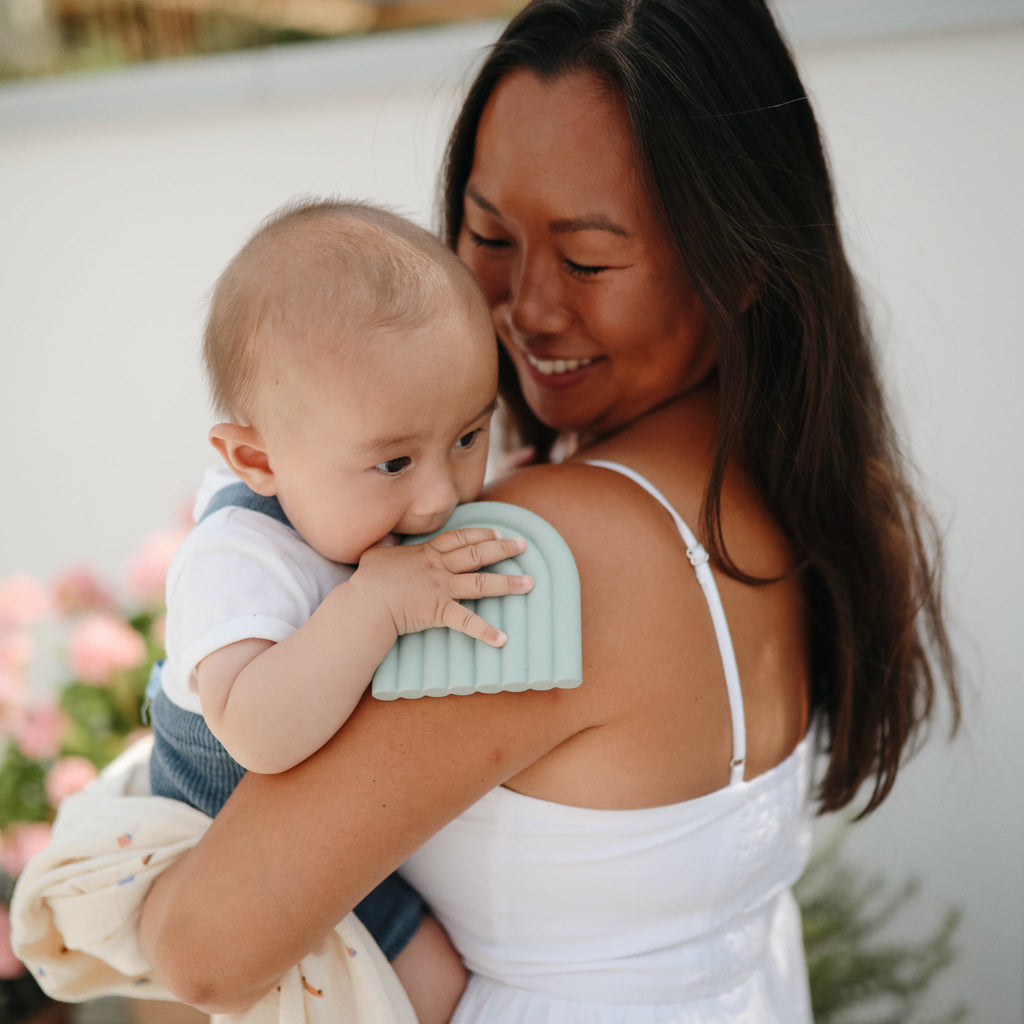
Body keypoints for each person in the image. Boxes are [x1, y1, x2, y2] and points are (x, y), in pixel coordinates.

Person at [135, 0, 961, 1020]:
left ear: (741, 262)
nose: (522, 306)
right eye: (487, 236)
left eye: (587, 261)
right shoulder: (791, 487)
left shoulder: (535, 561)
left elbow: (202, 950)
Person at [147, 197, 535, 1022]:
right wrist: (373, 608)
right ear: (258, 459)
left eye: (469, 436)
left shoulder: (355, 487)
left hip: (334, 833)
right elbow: (259, 732)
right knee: (436, 992)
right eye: (394, 461)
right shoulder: (238, 563)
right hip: (236, 850)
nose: (440, 495)